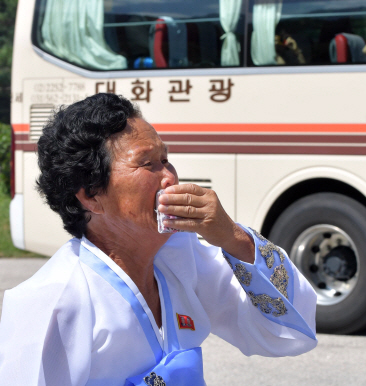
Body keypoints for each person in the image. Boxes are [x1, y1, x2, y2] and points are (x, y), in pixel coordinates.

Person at [0, 94, 317, 385]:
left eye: (166, 160)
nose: (170, 178)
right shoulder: (52, 302)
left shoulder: (182, 258)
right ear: (91, 195)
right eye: (147, 163)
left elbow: (284, 333)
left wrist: (234, 239)